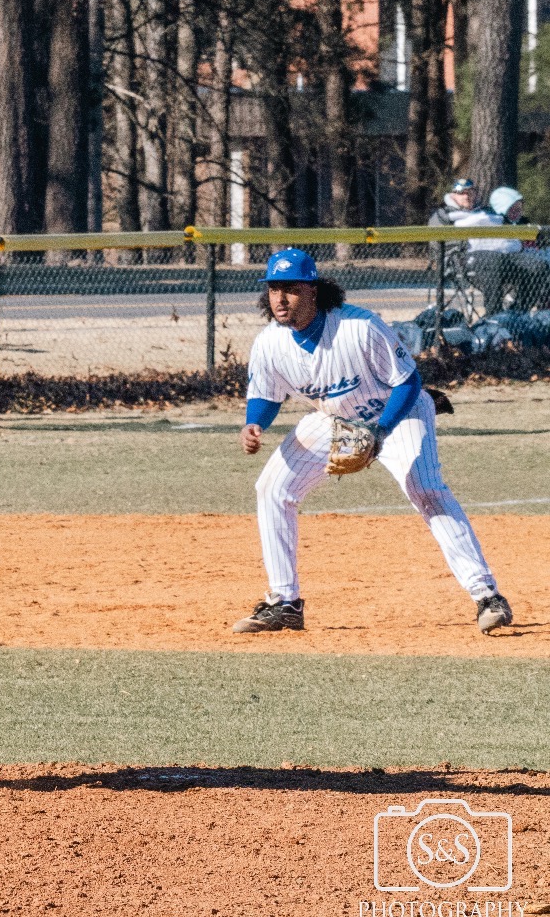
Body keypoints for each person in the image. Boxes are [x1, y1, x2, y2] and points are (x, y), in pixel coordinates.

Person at [232, 248, 511, 638]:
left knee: (425, 488)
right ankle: (284, 603)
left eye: (290, 288)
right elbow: (265, 394)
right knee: (273, 487)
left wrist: (380, 433)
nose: (279, 298)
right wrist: (253, 424)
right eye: (273, 289)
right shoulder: (269, 343)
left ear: (312, 290)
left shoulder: (358, 326)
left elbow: (408, 381)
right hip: (334, 420)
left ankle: (488, 596)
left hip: (400, 414)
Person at [453, 186, 547, 312]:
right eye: (513, 209)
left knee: (539, 266)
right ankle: (494, 314)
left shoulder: (520, 224)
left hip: (509, 258)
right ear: (502, 208)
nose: (517, 213)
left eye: (519, 209)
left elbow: (519, 247)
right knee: (495, 261)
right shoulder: (484, 217)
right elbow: (460, 225)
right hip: (483, 260)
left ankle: (519, 311)